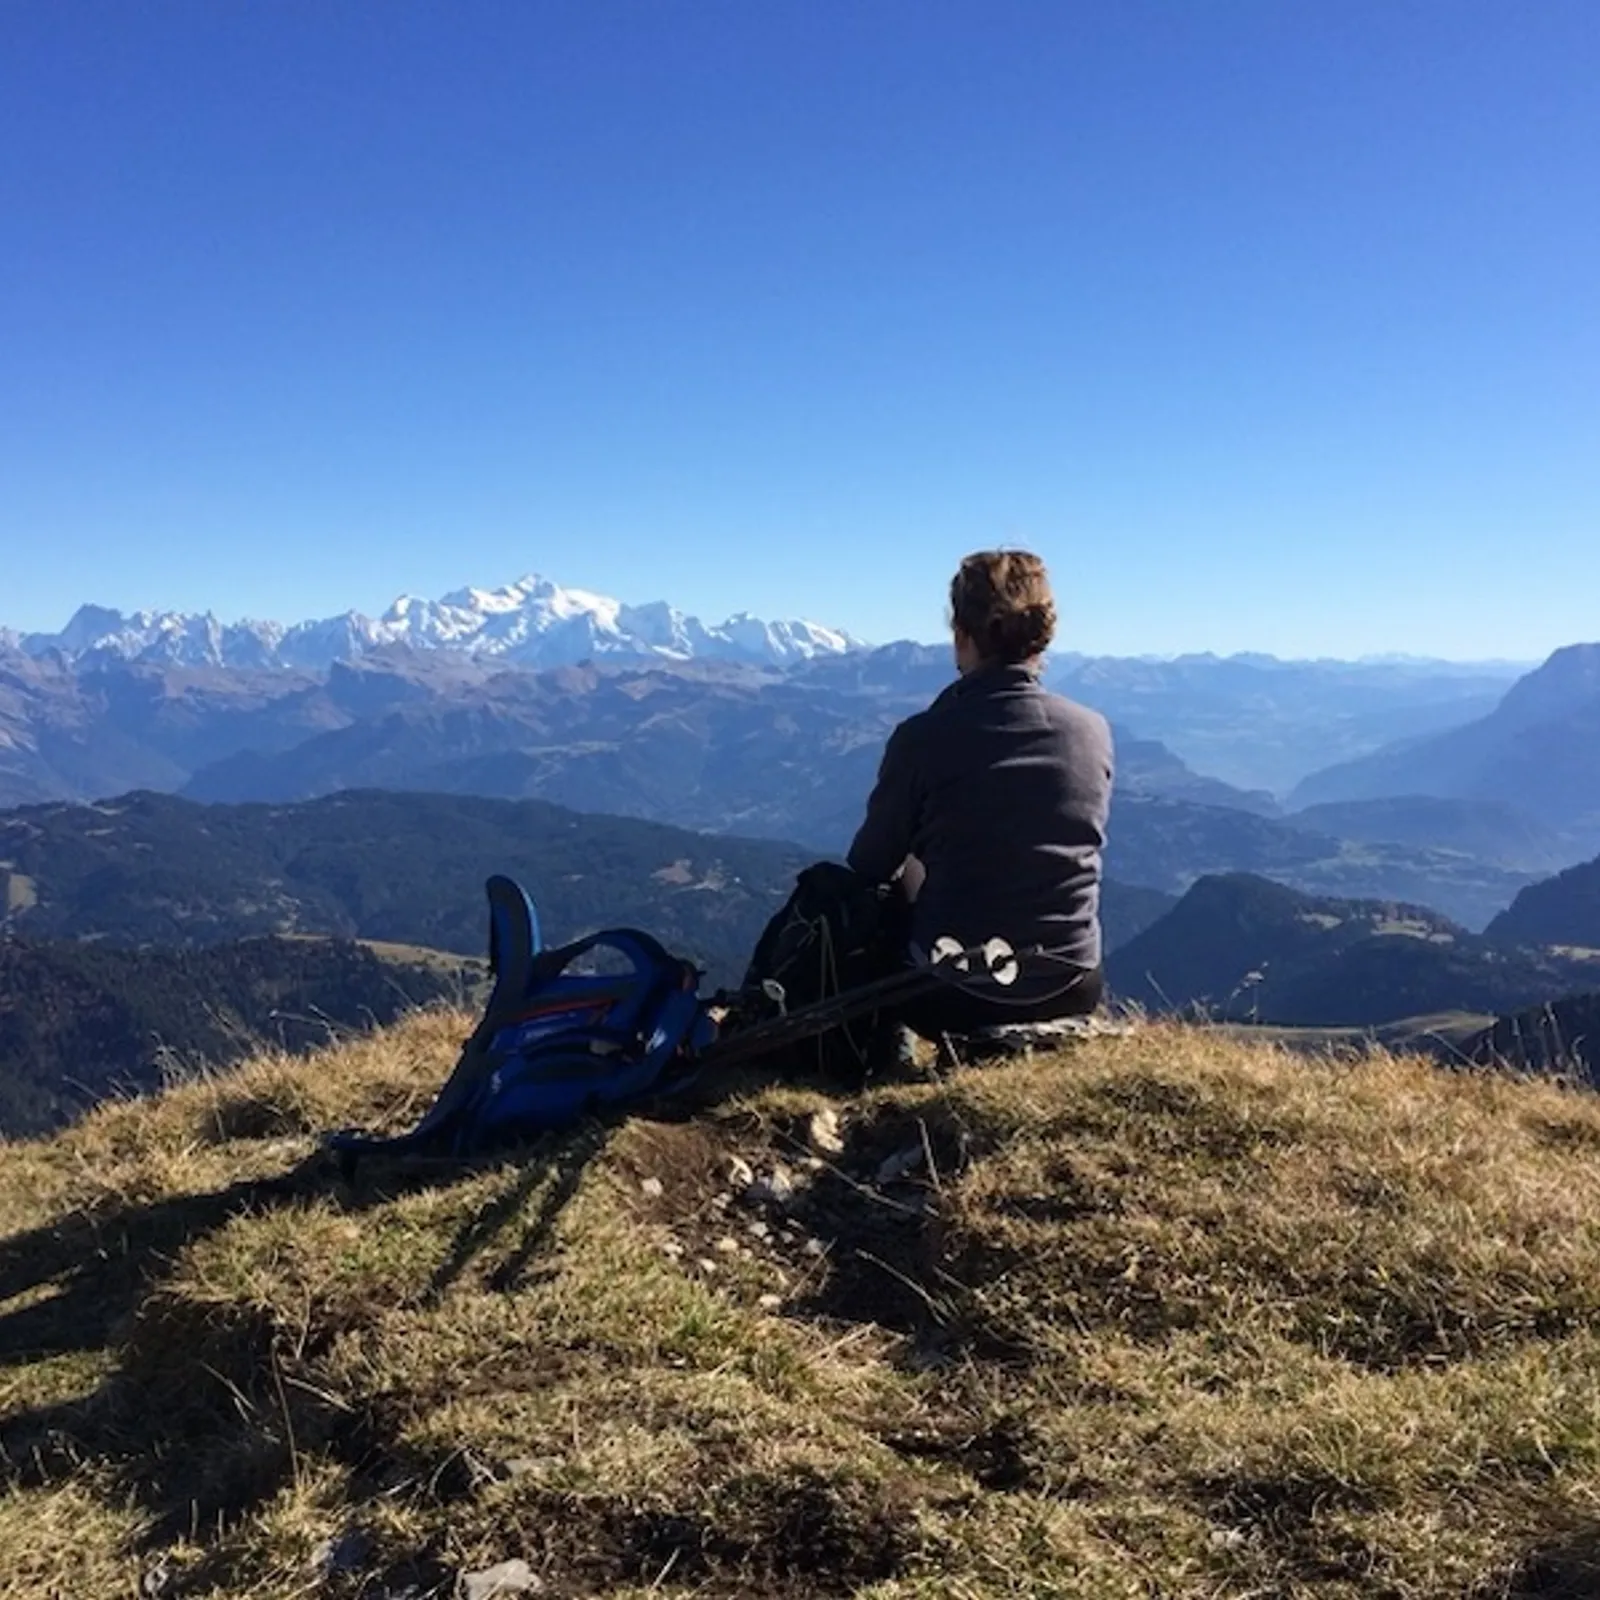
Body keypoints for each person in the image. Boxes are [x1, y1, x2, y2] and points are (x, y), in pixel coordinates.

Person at [847, 548, 1113, 1041]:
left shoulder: (925, 736)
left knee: (855, 896)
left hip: (955, 995)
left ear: (961, 634)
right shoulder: (1092, 731)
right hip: (1074, 984)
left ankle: (885, 1048)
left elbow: (868, 864)